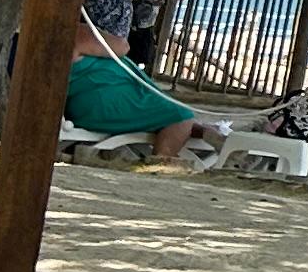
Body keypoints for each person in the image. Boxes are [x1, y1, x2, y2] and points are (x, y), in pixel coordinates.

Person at [65, 12, 218, 164]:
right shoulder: (76, 32)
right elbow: (122, 46)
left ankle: (205, 132)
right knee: (181, 115)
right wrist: (97, 31)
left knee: (177, 117)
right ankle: (161, 160)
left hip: (89, 101)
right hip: (99, 101)